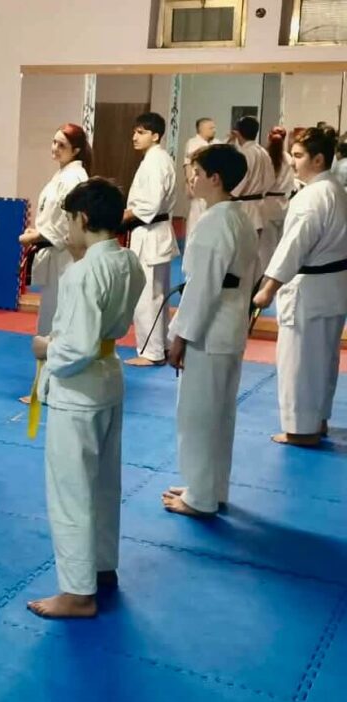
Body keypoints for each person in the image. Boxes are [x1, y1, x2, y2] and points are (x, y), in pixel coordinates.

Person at [27, 178, 145, 619]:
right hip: (109, 377)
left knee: (71, 489)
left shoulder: (82, 272)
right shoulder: (128, 261)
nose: (67, 230)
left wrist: (45, 348)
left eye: (69, 220)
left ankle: (77, 592)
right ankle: (101, 565)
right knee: (103, 483)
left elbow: (75, 348)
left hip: (78, 390)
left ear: (82, 218)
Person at [162, 145, 259, 518]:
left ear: (214, 179)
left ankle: (200, 497)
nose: (192, 178)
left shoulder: (213, 223)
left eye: (197, 172)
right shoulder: (239, 217)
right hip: (229, 327)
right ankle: (211, 488)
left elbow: (202, 289)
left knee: (199, 416)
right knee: (219, 415)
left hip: (209, 330)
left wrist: (180, 337)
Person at [253, 125, 347, 447]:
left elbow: (294, 246)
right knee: (324, 360)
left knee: (300, 362)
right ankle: (318, 420)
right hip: (333, 288)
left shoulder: (312, 197)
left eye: (298, 155)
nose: (292, 162)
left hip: (309, 291)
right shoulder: (335, 189)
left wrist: (268, 288)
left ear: (318, 159)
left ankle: (301, 430)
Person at [18, 125, 92, 397]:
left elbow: (67, 223)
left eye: (62, 145)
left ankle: (49, 388)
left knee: (57, 324)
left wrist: (39, 236)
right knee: (50, 321)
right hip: (56, 255)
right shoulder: (62, 175)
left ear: (76, 150)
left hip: (66, 258)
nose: (55, 149)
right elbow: (53, 218)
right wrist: (38, 232)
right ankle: (46, 385)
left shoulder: (75, 177)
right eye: (54, 142)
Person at [123, 112, 178, 367]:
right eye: (134, 132)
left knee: (147, 297)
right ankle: (161, 345)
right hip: (155, 232)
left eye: (141, 132)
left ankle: (151, 352)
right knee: (157, 295)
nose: (135, 137)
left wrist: (121, 216)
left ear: (155, 135)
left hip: (150, 232)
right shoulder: (160, 158)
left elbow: (150, 204)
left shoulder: (154, 162)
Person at [229, 115, 276, 236]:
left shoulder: (244, 153)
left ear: (238, 133)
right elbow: (271, 179)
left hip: (245, 207)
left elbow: (241, 179)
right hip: (259, 205)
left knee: (242, 244)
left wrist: (229, 195)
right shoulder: (263, 152)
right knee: (256, 244)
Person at [259, 126, 296, 274]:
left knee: (265, 249)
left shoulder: (264, 157)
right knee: (281, 245)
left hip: (267, 205)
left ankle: (264, 278)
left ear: (268, 137)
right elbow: (292, 182)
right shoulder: (289, 158)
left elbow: (263, 183)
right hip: (284, 204)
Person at [184, 117, 217, 236]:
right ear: (201, 129)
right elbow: (188, 165)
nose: (214, 130)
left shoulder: (216, 142)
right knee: (196, 219)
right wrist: (189, 183)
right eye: (210, 128)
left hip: (213, 186)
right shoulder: (193, 143)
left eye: (214, 127)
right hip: (198, 185)